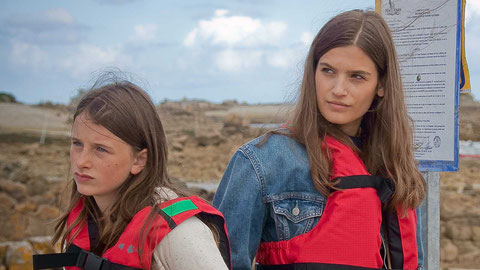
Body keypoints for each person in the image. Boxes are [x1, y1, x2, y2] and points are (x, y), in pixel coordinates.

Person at [213, 9, 426, 270]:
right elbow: (220, 262)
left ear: (381, 85)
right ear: (313, 72)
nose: (338, 89)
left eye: (356, 76)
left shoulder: (397, 171)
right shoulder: (260, 163)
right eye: (328, 71)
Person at [33, 78, 231, 270]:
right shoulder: (84, 222)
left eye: (101, 149)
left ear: (139, 160)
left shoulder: (181, 234)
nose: (81, 161)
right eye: (77, 144)